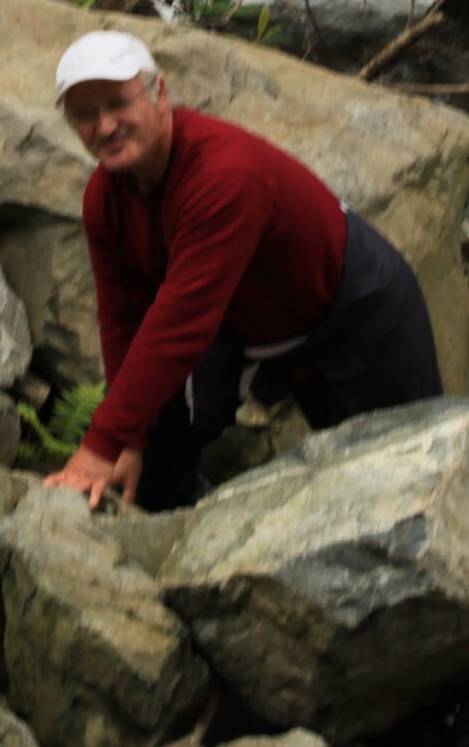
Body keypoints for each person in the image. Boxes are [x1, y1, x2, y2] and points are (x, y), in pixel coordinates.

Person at [44, 30, 443, 511]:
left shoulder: (223, 175)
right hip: (241, 319)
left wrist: (100, 445)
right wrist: (126, 439)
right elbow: (122, 317)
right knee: (153, 458)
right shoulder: (104, 198)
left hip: (358, 310)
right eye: (85, 115)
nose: (105, 127)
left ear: (160, 94)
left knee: (405, 478)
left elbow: (180, 324)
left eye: (117, 104)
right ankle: (171, 524)